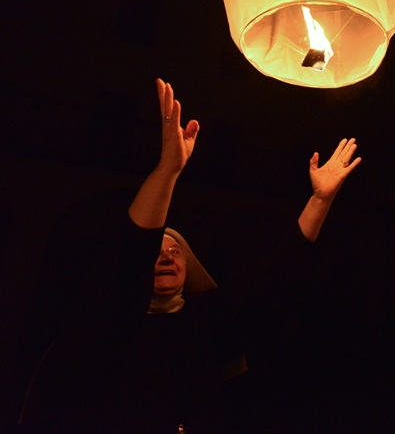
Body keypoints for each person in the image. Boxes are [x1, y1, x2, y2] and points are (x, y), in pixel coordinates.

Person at [18, 78, 361, 433]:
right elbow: (135, 252)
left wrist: (319, 200)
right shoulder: (107, 322)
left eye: (175, 251)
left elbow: (277, 279)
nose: (166, 257)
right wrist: (168, 170)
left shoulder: (207, 321)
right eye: (156, 251)